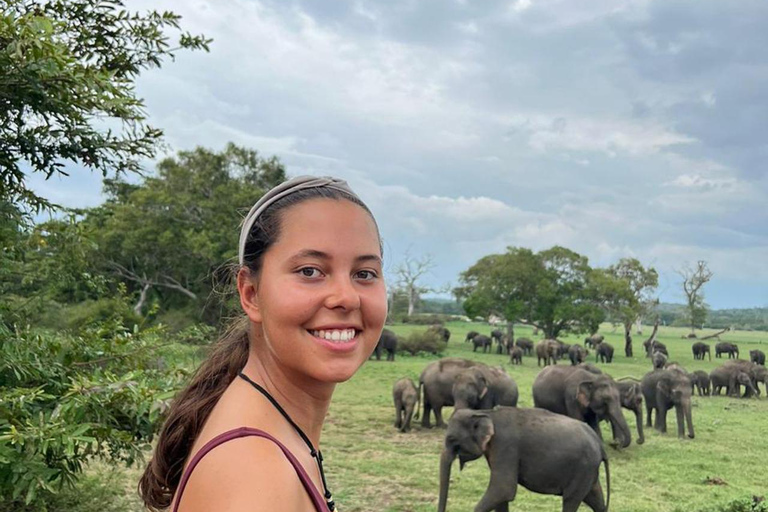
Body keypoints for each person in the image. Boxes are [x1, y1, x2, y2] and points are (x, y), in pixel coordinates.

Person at [139, 176, 388, 511]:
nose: (347, 298)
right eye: (310, 271)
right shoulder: (255, 477)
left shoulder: (271, 434)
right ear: (251, 293)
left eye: (365, 273)